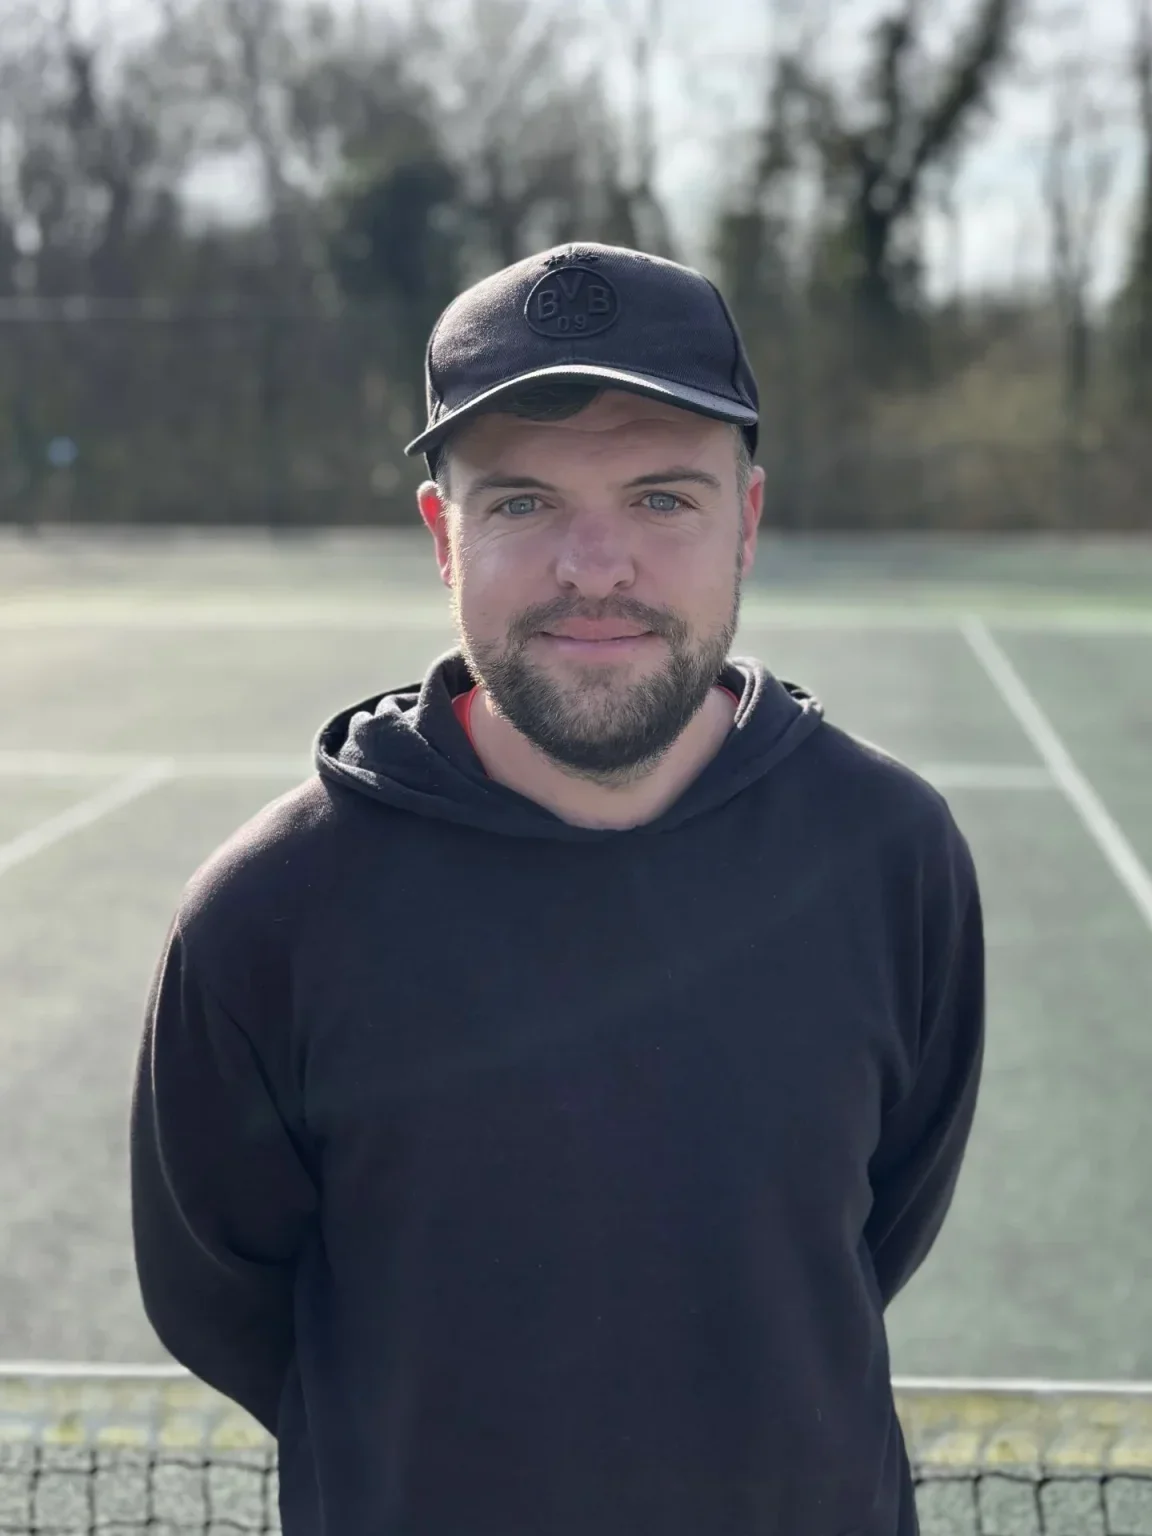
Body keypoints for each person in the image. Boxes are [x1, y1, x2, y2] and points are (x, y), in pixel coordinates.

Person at [130, 242, 985, 1536]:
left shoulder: (890, 854)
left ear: (746, 518)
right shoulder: (268, 914)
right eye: (523, 503)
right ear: (443, 534)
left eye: (661, 499)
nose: (596, 566)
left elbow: (876, 1230)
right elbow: (224, 1301)